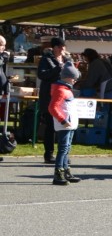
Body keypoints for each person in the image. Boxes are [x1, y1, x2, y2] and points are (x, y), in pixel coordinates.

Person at [49, 62, 82, 186]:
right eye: (73, 78)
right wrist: (62, 120)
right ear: (67, 77)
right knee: (63, 149)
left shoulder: (66, 89)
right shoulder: (60, 90)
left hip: (69, 123)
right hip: (64, 124)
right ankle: (58, 173)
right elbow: (52, 107)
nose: (75, 80)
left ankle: (65, 171)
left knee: (66, 148)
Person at [38, 37, 70, 165]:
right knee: (50, 126)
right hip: (49, 95)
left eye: (63, 47)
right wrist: (57, 69)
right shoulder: (46, 59)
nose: (62, 49)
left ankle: (62, 154)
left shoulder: (67, 59)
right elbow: (42, 75)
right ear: (54, 48)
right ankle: (49, 154)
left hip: (63, 95)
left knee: (64, 125)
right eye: (60, 47)